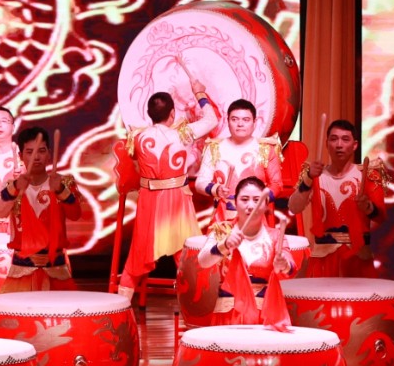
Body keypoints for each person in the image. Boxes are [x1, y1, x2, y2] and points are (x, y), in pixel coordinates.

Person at [117, 78, 219, 304]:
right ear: (172, 113)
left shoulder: (137, 136)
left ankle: (119, 309)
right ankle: (198, 308)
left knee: (136, 258)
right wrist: (199, 93)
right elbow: (211, 120)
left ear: (149, 114)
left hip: (149, 201)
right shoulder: (182, 134)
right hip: (175, 201)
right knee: (187, 255)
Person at [287, 119, 388, 278]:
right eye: (334, 139)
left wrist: (368, 207)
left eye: (345, 139)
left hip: (357, 260)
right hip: (322, 260)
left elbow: (381, 216)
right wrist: (308, 178)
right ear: (327, 144)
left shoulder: (368, 175)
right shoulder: (314, 176)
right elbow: (294, 207)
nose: (339, 145)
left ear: (354, 145)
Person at [199, 177, 295, 328]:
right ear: (235, 202)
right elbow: (202, 261)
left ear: (265, 204)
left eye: (257, 200)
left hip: (264, 314)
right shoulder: (222, 230)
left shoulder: (275, 236)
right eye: (244, 199)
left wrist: (284, 264)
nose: (251, 206)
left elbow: (291, 267)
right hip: (229, 313)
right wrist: (224, 245)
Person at [0, 126, 81, 293]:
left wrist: (61, 191)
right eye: (30, 152)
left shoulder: (64, 182)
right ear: (21, 156)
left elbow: (75, 214)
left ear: (49, 153)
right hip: (21, 270)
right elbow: (0, 212)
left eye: (41, 151)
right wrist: (15, 187)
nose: (36, 156)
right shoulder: (12, 186)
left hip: (56, 270)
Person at [194, 99, 283, 221]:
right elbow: (200, 182)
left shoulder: (266, 149)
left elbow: (277, 184)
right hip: (222, 218)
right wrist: (217, 189)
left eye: (246, 120)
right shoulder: (214, 148)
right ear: (228, 121)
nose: (240, 124)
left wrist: (258, 201)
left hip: (254, 217)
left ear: (254, 122)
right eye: (234, 119)